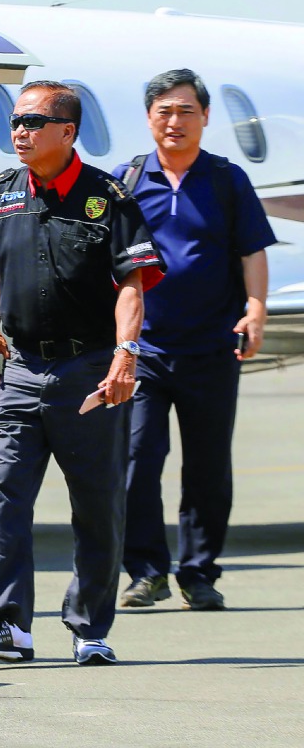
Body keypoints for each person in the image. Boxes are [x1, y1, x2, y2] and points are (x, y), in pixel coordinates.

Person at [0, 81, 165, 666]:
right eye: (15, 122)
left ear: (66, 132)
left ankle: (89, 628)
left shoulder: (109, 197)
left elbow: (131, 282)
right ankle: (8, 628)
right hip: (20, 371)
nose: (18, 132)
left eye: (31, 122)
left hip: (89, 369)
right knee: (4, 498)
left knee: (95, 505)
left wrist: (127, 353)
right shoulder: (2, 192)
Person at [114, 69, 276, 611]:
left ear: (205, 117)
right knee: (136, 461)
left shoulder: (227, 180)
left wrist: (255, 308)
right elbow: (106, 261)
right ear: (148, 118)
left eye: (186, 111)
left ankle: (200, 572)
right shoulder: (128, 181)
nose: (175, 121)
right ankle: (146, 571)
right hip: (145, 352)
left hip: (212, 346)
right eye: (164, 110)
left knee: (207, 466)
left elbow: (252, 250)